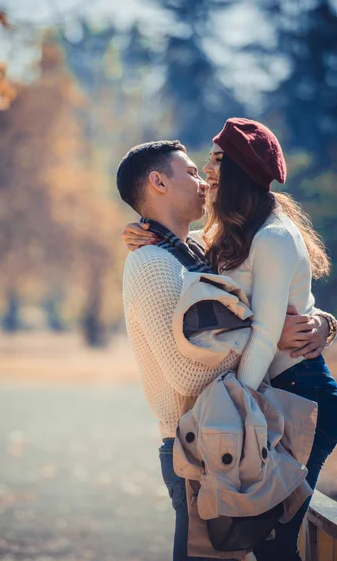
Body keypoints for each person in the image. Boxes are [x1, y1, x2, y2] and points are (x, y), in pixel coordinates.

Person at [116, 136, 334, 561]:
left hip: (228, 430)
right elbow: (188, 375)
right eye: (193, 172)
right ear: (159, 182)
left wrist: (322, 324)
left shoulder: (197, 249)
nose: (204, 180)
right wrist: (265, 339)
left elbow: (269, 291)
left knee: (270, 548)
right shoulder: (152, 264)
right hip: (197, 438)